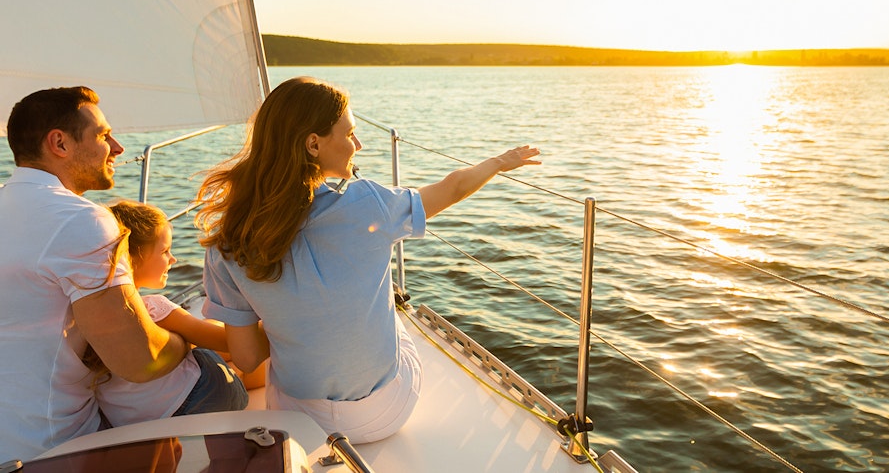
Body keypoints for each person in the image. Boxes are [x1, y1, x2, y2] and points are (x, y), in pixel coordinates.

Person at [198, 76, 540, 443]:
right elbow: (452, 188)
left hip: (298, 419)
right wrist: (498, 162)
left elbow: (246, 359)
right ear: (313, 144)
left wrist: (293, 325)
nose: (358, 145)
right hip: (385, 412)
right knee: (392, 313)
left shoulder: (227, 243)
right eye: (349, 134)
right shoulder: (369, 204)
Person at [0, 86, 190, 461]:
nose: (117, 147)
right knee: (215, 381)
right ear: (59, 143)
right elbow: (138, 360)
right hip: (54, 448)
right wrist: (185, 342)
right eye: (103, 136)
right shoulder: (81, 220)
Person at [82, 201, 249, 426]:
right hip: (204, 399)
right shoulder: (154, 309)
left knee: (202, 336)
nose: (173, 259)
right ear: (134, 258)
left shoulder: (85, 317)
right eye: (165, 251)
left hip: (132, 424)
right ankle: (240, 375)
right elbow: (230, 343)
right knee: (217, 354)